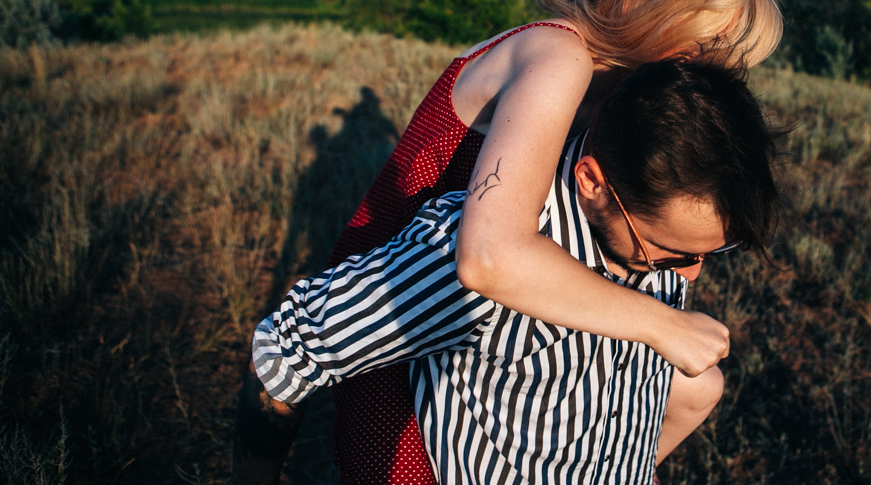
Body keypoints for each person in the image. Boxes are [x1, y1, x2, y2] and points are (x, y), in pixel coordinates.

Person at [232, 0, 782, 484]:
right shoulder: (560, 60)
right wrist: (661, 324)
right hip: (409, 302)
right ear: (650, 10)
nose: (707, 75)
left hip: (464, 304)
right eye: (706, 49)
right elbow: (488, 253)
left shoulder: (601, 87)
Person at [252, 59, 784, 484]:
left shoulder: (651, 222)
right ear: (593, 183)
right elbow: (288, 349)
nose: (688, 277)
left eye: (715, 252)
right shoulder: (472, 252)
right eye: (669, 252)